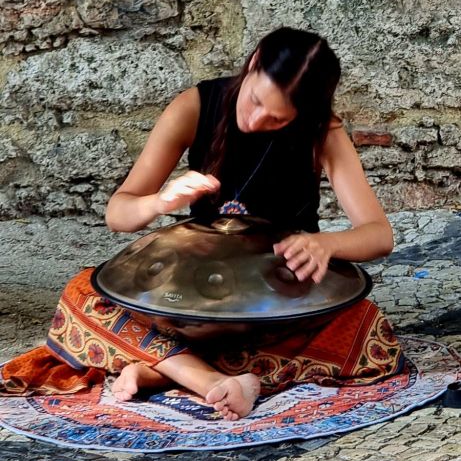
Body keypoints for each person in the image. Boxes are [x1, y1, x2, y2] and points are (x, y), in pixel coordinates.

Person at [1, 27, 403, 416]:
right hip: (191, 304)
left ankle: (165, 369)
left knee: (368, 331)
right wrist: (160, 201)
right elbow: (118, 213)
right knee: (81, 292)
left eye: (277, 119)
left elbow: (378, 235)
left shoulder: (323, 131)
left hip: (278, 307)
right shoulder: (195, 106)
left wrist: (326, 244)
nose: (256, 120)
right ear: (254, 63)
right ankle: (211, 379)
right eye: (255, 101)